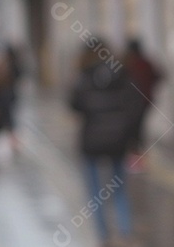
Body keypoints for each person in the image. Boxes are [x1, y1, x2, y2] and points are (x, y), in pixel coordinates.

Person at [70, 39, 139, 247]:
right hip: (117, 139)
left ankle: (104, 235)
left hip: (92, 140)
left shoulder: (83, 76)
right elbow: (133, 105)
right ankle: (125, 232)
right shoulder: (121, 73)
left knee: (95, 191)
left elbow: (74, 104)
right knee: (119, 186)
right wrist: (132, 137)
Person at [124, 37, 163, 170]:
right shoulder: (146, 63)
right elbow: (159, 76)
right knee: (139, 129)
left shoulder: (128, 63)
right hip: (145, 101)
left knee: (134, 130)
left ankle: (135, 158)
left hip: (132, 103)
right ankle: (138, 158)